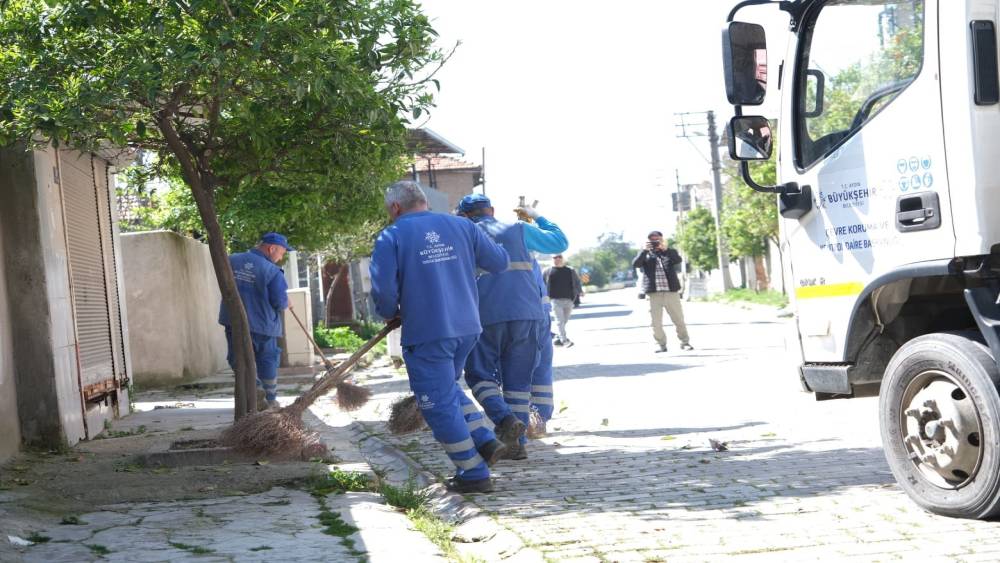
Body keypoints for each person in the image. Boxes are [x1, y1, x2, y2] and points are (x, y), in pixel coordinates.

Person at [370, 181, 510, 494]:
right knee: (446, 387)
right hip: (467, 327)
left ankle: (472, 473)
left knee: (435, 402)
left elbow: (383, 293)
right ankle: (485, 441)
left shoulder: (391, 236)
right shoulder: (463, 226)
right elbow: (499, 262)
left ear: (395, 208)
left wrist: (390, 311)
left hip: (427, 330)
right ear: (423, 201)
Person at [459, 193, 568, 461]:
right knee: (518, 383)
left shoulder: (462, 235)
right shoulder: (519, 229)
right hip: (527, 315)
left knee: (479, 376)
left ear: (464, 215)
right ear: (492, 210)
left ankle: (505, 419)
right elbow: (559, 242)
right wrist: (535, 215)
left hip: (484, 317)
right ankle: (517, 444)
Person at [218, 232, 292, 411]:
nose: (281, 257)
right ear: (271, 248)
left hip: (234, 323)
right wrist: (286, 301)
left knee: (239, 359)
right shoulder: (272, 271)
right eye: (281, 252)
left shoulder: (231, 260)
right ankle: (270, 399)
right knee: (267, 360)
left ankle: (254, 390)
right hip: (263, 326)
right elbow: (279, 302)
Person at [632, 231, 693, 353]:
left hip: (671, 292)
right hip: (654, 294)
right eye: (652, 240)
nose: (655, 242)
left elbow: (677, 260)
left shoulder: (669, 252)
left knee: (679, 320)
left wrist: (666, 250)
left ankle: (684, 342)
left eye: (657, 239)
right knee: (655, 323)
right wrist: (644, 251)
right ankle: (661, 345)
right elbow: (636, 264)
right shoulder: (645, 254)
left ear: (662, 239)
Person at [528, 261, 554, 438]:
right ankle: (538, 419)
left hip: (502, 315)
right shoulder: (525, 236)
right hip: (538, 313)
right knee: (541, 367)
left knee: (511, 370)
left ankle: (530, 418)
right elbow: (558, 242)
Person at [544, 254, 583, 347]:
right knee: (559, 321)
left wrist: (580, 291)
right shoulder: (548, 271)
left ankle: (558, 337)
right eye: (555, 257)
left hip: (569, 300)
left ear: (563, 259)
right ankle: (564, 341)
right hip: (555, 300)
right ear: (552, 259)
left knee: (564, 320)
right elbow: (541, 283)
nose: (557, 259)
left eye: (559, 257)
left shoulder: (570, 270)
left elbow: (577, 281)